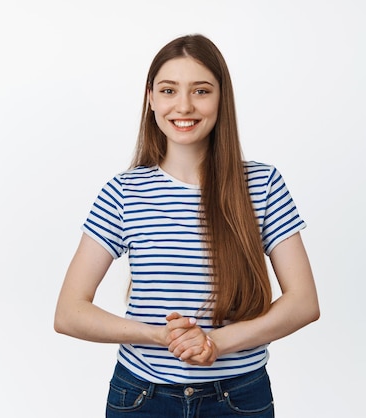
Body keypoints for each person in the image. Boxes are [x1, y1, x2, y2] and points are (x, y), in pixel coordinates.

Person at [54, 33, 319, 418]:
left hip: (238, 399)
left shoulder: (262, 184)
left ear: (221, 98)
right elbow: (69, 312)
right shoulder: (123, 192)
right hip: (141, 398)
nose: (183, 105)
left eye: (200, 91)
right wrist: (159, 336)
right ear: (150, 99)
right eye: (168, 90)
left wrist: (215, 343)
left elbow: (304, 303)